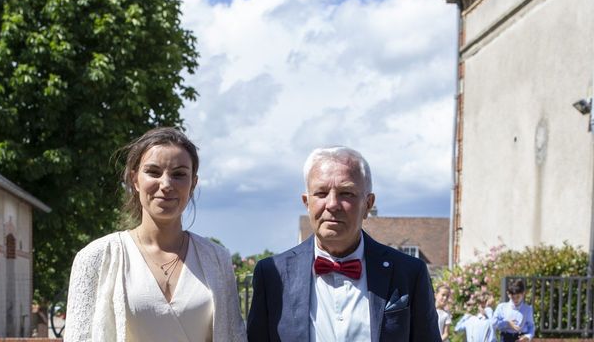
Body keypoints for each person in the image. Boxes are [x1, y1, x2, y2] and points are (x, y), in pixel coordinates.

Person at [64, 127, 247, 342]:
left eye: (179, 174)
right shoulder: (97, 257)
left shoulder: (217, 259)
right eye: (153, 172)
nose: (166, 184)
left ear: (193, 183)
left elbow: (234, 336)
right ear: (135, 180)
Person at [247, 146, 441, 341]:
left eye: (346, 193)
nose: (332, 204)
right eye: (321, 193)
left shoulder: (409, 273)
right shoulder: (272, 275)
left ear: (368, 204)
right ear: (307, 202)